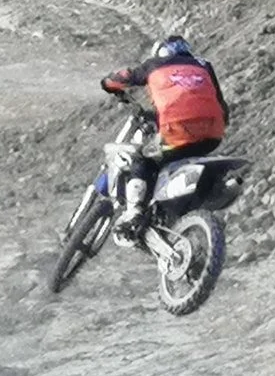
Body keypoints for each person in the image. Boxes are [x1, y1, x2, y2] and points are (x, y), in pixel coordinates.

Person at [98, 35, 230, 240]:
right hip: (212, 135)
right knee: (167, 157)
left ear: (161, 51)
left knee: (141, 158)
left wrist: (107, 83)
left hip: (177, 132)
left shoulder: (154, 65)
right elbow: (221, 105)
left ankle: (134, 212)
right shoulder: (204, 66)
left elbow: (122, 77)